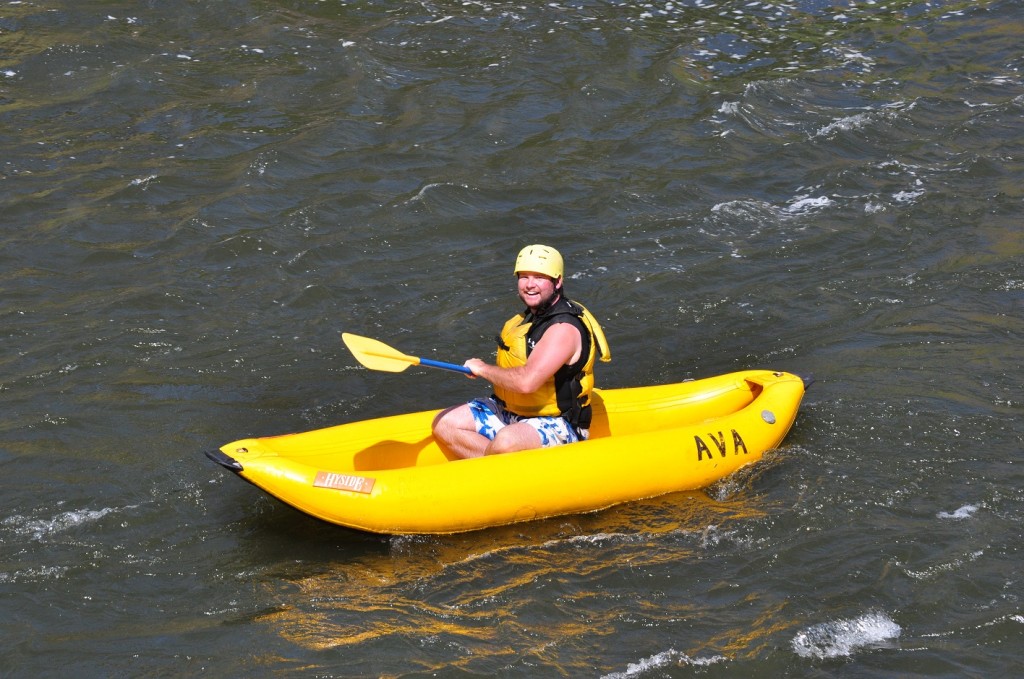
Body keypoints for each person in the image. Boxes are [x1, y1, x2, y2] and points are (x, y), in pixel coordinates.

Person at [432, 244, 610, 459]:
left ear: (557, 281)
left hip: (557, 421)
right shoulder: (530, 317)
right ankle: (494, 466)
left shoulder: (563, 328)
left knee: (506, 442)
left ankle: (489, 474)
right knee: (445, 423)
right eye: (524, 277)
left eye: (539, 277)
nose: (530, 285)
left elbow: (526, 382)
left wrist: (481, 369)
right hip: (511, 410)